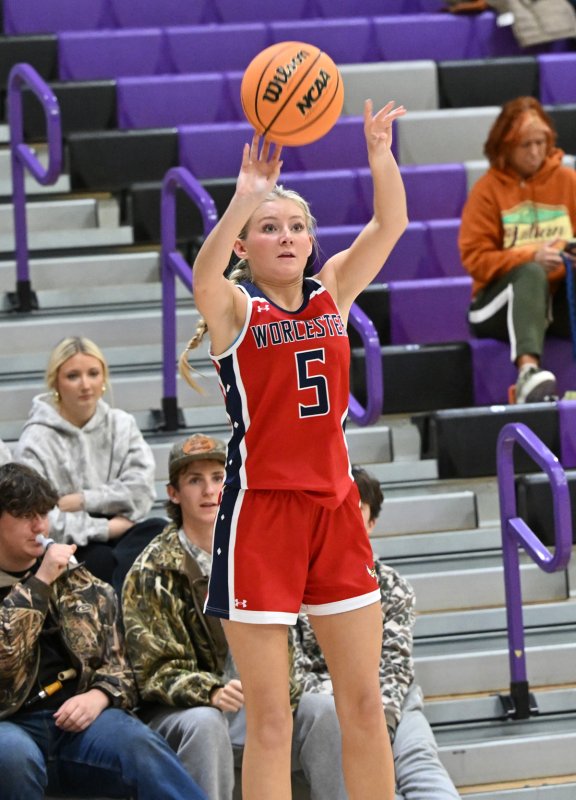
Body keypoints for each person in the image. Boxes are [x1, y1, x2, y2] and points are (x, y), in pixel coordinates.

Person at [180, 98, 408, 800]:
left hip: (335, 508)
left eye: (297, 226)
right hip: (262, 515)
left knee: (364, 706)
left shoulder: (333, 291)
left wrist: (379, 156)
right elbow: (205, 276)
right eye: (269, 229)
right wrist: (243, 200)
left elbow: (390, 224)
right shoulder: (236, 309)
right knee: (272, 719)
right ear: (247, 247)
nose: (286, 237)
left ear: (312, 240)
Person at [122, 433, 347, 799]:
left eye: (217, 477)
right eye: (194, 480)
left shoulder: (262, 553)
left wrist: (275, 694)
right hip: (188, 712)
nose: (209, 490)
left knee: (325, 711)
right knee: (206, 724)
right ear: (174, 493)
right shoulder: (152, 570)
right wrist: (209, 690)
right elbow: (151, 672)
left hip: (261, 706)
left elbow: (286, 648)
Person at [0, 461, 207, 800]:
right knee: (11, 758)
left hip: (80, 719)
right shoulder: (48, 576)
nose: (39, 525)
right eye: (25, 515)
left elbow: (122, 665)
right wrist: (40, 583)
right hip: (10, 725)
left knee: (138, 744)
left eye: (43, 512)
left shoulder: (79, 582)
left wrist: (100, 696)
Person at [293, 466, 461, 800]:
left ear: (370, 523)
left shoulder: (393, 586)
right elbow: (295, 672)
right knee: (362, 767)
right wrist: (355, 711)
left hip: (392, 702)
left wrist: (379, 718)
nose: (341, 522)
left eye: (354, 512)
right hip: (326, 707)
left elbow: (396, 665)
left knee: (419, 761)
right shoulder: (292, 586)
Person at [14, 336, 166, 594]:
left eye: (93, 373)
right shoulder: (35, 439)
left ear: (103, 378)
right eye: (73, 376)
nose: (85, 385)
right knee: (100, 561)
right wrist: (105, 528)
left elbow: (140, 490)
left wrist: (84, 500)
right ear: (56, 383)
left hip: (123, 528)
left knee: (159, 533)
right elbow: (43, 517)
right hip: (71, 541)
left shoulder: (122, 424)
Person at [459, 96, 576, 404]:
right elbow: (476, 260)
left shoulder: (568, 180)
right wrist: (530, 255)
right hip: (493, 304)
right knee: (531, 272)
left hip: (558, 301)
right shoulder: (487, 191)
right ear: (505, 146)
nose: (536, 152)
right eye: (526, 145)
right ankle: (527, 374)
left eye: (541, 142)